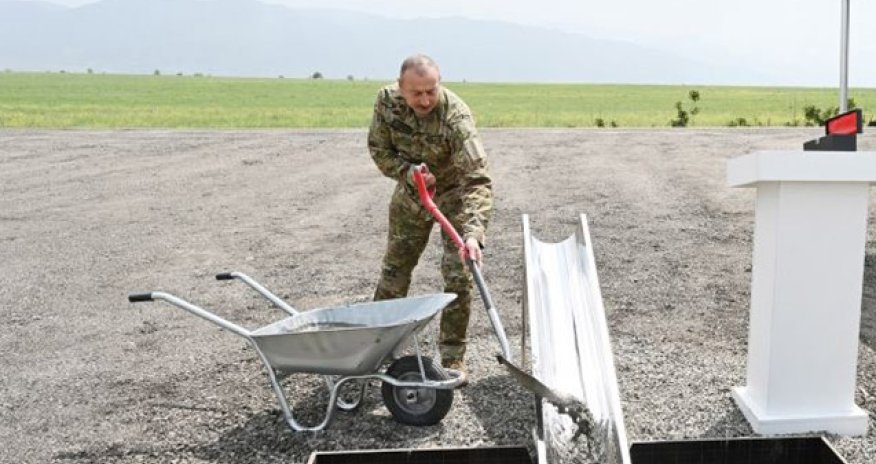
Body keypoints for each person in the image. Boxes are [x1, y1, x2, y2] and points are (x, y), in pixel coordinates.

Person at [368, 54, 493, 376]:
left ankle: (452, 357)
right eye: (416, 93)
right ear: (401, 89)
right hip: (412, 196)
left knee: (458, 276)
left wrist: (473, 234)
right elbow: (380, 151)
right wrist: (408, 173)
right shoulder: (386, 102)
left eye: (431, 91)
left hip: (452, 198)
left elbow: (477, 180)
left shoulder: (456, 118)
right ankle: (375, 348)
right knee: (395, 272)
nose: (425, 100)